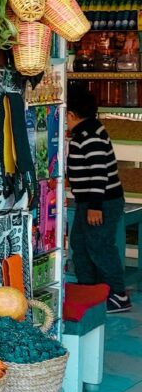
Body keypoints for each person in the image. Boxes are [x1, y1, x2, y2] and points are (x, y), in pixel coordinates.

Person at [66, 83, 129, 312]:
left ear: (71, 114)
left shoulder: (89, 135)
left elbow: (99, 172)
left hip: (101, 202)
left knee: (100, 246)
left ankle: (116, 294)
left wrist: (95, 207)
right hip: (89, 202)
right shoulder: (86, 131)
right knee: (80, 244)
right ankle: (89, 290)